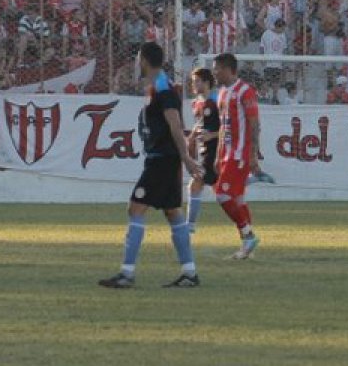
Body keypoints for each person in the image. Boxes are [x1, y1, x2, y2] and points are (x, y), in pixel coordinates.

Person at [99, 42, 202, 289]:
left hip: (162, 160)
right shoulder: (159, 87)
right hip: (165, 159)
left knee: (135, 209)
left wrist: (186, 157)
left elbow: (175, 125)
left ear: (144, 60)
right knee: (172, 212)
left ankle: (127, 273)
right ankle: (189, 273)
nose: (136, 63)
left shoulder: (163, 89)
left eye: (137, 58)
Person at [212, 52, 262, 259]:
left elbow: (254, 124)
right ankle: (246, 246)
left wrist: (253, 155)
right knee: (238, 198)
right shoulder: (222, 92)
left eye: (217, 69)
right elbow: (223, 126)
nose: (214, 73)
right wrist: (217, 154)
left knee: (222, 194)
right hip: (227, 153)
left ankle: (248, 235)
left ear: (227, 69)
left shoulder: (245, 91)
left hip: (240, 153)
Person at [186, 68, 220, 234]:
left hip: (217, 150)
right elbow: (200, 123)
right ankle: (253, 178)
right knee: (224, 188)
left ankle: (189, 226)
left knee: (195, 184)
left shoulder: (217, 102)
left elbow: (231, 127)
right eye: (193, 81)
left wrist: (212, 134)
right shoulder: (196, 103)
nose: (193, 84)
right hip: (205, 151)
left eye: (197, 81)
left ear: (206, 82)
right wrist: (192, 137)